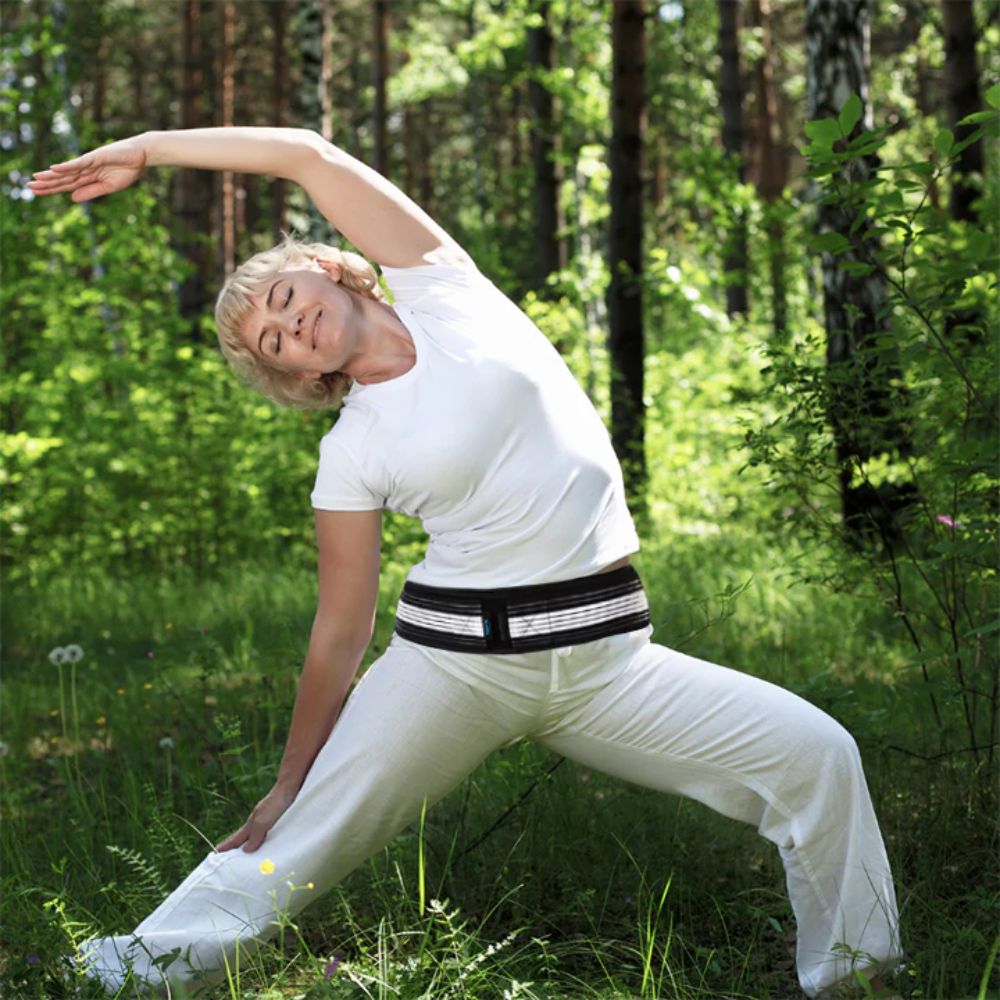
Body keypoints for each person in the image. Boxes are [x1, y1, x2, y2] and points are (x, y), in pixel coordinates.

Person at [30, 127, 904, 999]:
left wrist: (151, 150)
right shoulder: (352, 451)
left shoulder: (447, 290)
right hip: (458, 667)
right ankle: (112, 975)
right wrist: (291, 781)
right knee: (292, 847)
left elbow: (307, 153)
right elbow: (341, 631)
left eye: (284, 298)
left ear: (327, 270)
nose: (289, 325)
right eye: (273, 343)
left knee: (817, 755)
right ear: (292, 375)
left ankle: (859, 979)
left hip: (608, 662)